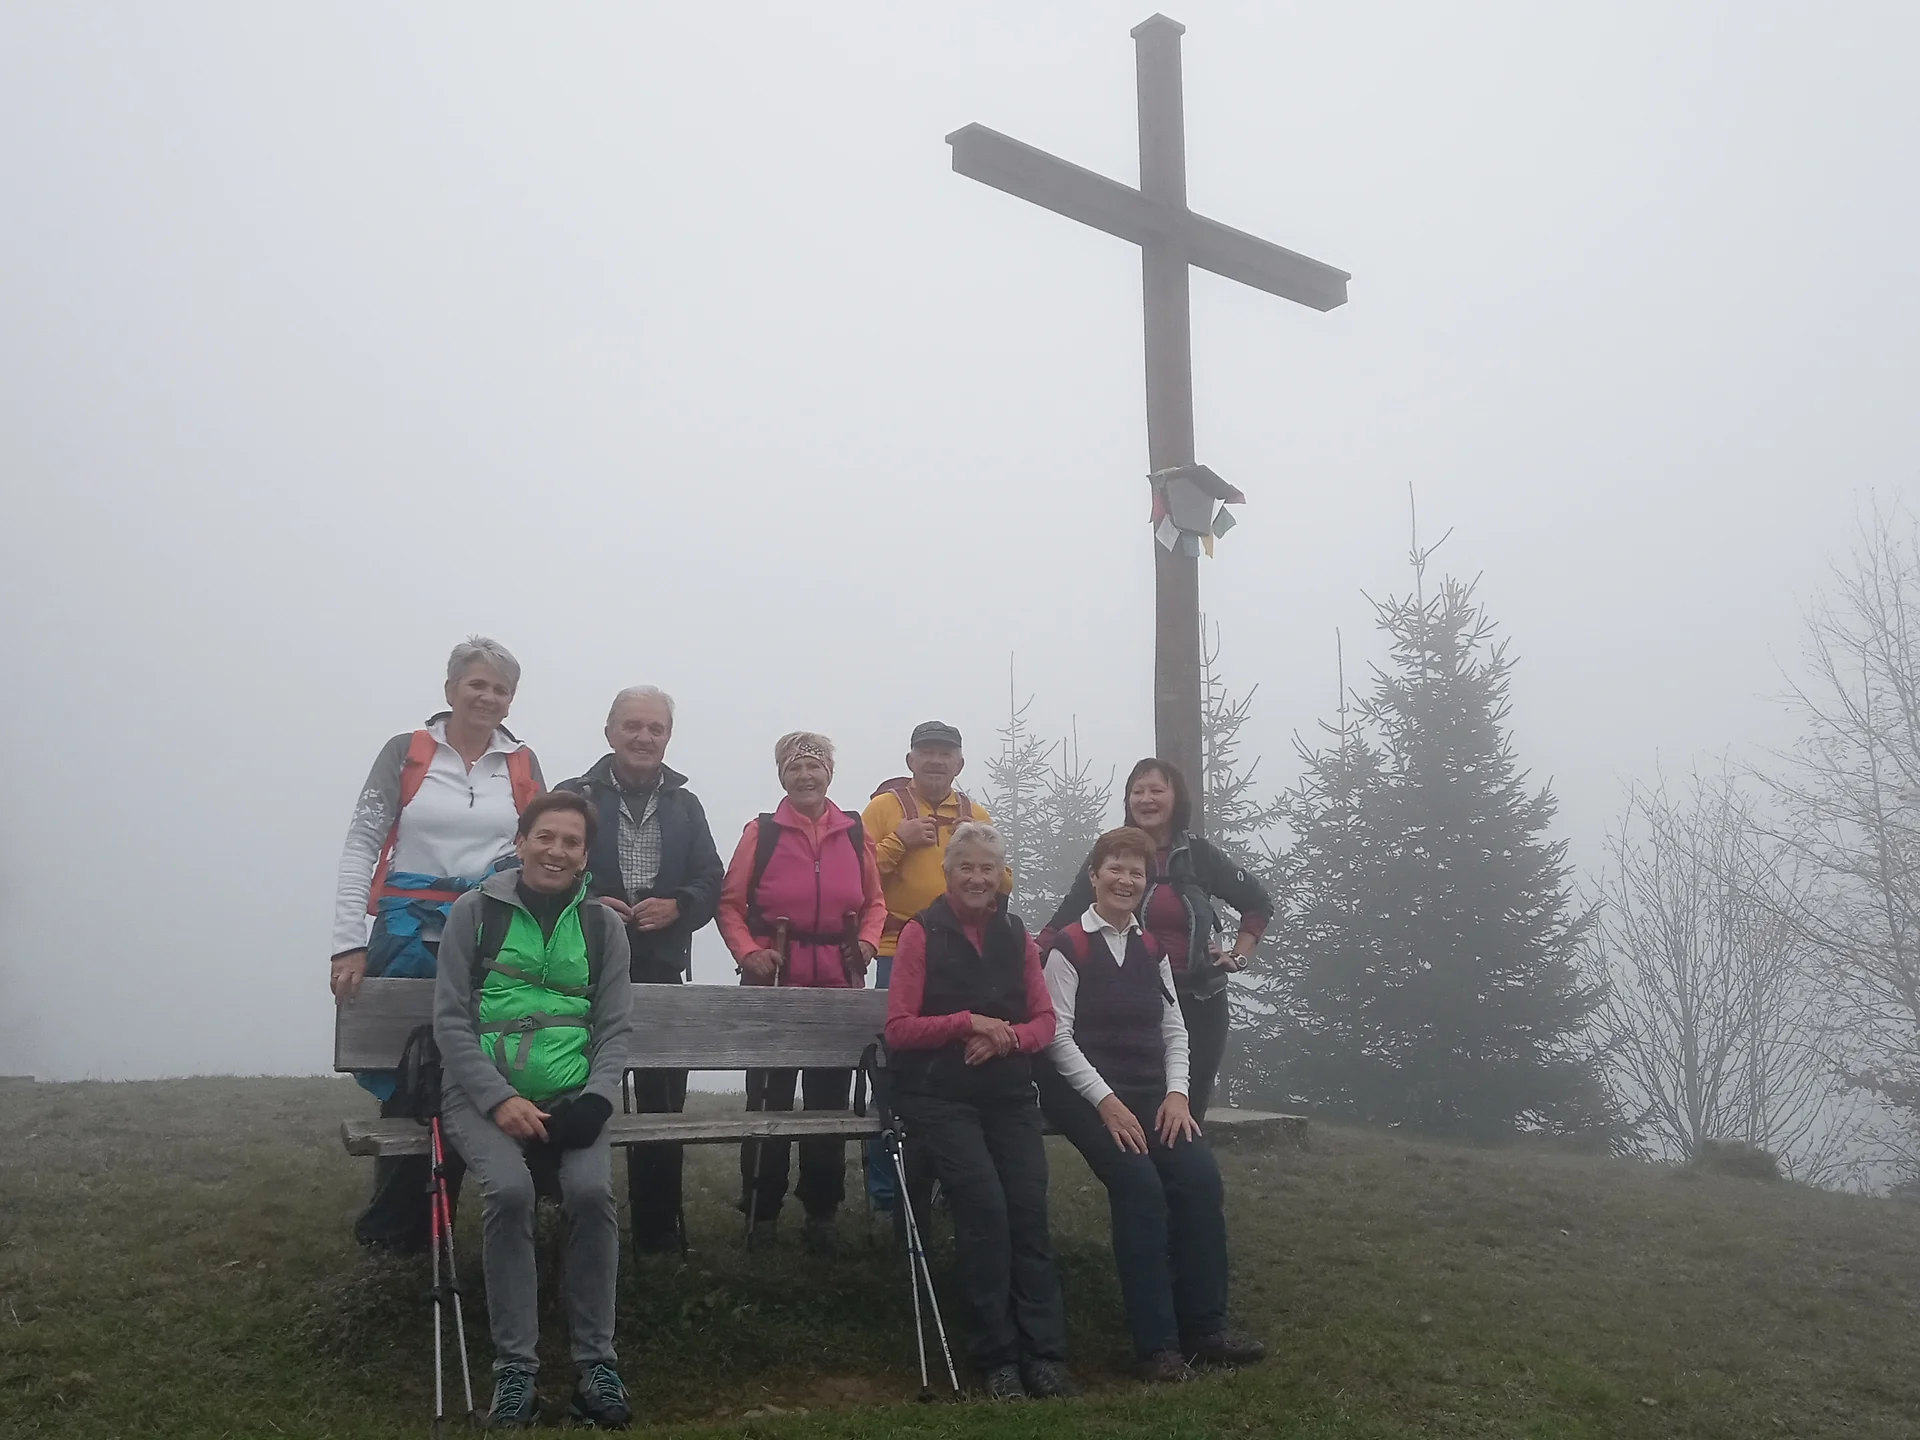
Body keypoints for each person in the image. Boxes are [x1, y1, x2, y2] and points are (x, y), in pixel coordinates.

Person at [330, 636, 545, 1253]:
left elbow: (538, 846)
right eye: (477, 684)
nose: (488, 697)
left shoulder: (522, 763)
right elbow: (362, 843)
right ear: (450, 689)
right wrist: (347, 943)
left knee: (477, 1068)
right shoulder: (407, 752)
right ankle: (397, 1231)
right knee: (408, 1077)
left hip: (488, 937)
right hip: (405, 936)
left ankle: (447, 1217)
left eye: (500, 689)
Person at [434, 790, 635, 1430]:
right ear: (520, 842)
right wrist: (500, 1098)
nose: (557, 851)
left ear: (586, 856)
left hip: (573, 1097)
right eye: (545, 837)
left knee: (592, 1194)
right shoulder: (475, 912)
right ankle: (515, 1371)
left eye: (572, 842)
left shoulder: (603, 927)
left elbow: (614, 1028)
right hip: (481, 1094)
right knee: (510, 1192)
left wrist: (597, 1100)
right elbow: (450, 1023)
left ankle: (596, 1365)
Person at [1038, 826, 1266, 1384]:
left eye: (1135, 872)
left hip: (1150, 1094)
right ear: (1094, 876)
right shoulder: (1069, 946)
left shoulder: (1152, 949)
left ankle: (1205, 1329)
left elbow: (1174, 1029)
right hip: (1085, 1097)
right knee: (1140, 1188)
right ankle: (1157, 1345)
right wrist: (1107, 1103)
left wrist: (1178, 1095)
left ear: (1145, 883)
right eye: (1114, 869)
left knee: (1199, 1180)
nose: (1125, 880)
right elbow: (1057, 1038)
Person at [884, 821, 1073, 1402]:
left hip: (1008, 1092)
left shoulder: (1017, 935)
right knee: (985, 1208)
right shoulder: (921, 933)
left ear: (1000, 877)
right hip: (938, 1094)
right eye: (965, 866)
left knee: (1027, 1208)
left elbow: (1045, 1022)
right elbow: (899, 1029)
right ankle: (996, 1356)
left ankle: (1043, 1352)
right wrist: (968, 1023)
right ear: (947, 873)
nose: (976, 878)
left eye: (987, 868)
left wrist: (1005, 1039)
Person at [556, 686, 724, 1256]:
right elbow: (543, 867)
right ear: (609, 732)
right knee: (572, 1090)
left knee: (662, 1100)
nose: (644, 737)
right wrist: (587, 902)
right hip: (579, 967)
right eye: (632, 726)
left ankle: (657, 1230)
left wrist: (678, 906)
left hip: (660, 969)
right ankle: (572, 1219)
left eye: (656, 728)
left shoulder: (686, 805)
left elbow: (710, 878)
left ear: (668, 737)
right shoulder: (573, 794)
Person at [716, 731, 886, 1256]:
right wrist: (748, 952)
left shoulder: (855, 833)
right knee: (768, 1097)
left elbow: (876, 903)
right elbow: (730, 905)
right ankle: (761, 1209)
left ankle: (822, 1210)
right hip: (773, 981)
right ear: (782, 776)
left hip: (836, 982)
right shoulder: (761, 833)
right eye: (795, 768)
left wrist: (867, 942)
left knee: (829, 1102)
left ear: (829, 773)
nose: (806, 776)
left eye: (815, 766)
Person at [1040, 758, 1273, 1121]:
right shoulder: (1112, 852)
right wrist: (1028, 956)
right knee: (1134, 1107)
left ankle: (1186, 1157)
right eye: (1137, 791)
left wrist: (1238, 955)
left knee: (1188, 1107)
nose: (1146, 799)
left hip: (1199, 1000)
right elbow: (1067, 916)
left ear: (1176, 798)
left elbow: (1257, 903)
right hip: (1135, 1003)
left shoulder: (1200, 855)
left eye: (1156, 790)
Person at [859, 719, 1006, 1212]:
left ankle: (949, 1183)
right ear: (910, 761)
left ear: (959, 763)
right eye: (927, 752)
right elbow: (854, 876)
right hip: (892, 948)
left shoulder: (975, 813)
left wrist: (981, 861)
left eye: (946, 753)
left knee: (954, 1067)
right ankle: (889, 1191)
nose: (936, 761)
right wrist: (899, 841)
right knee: (892, 1068)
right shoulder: (884, 809)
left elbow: (1003, 879)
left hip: (959, 953)